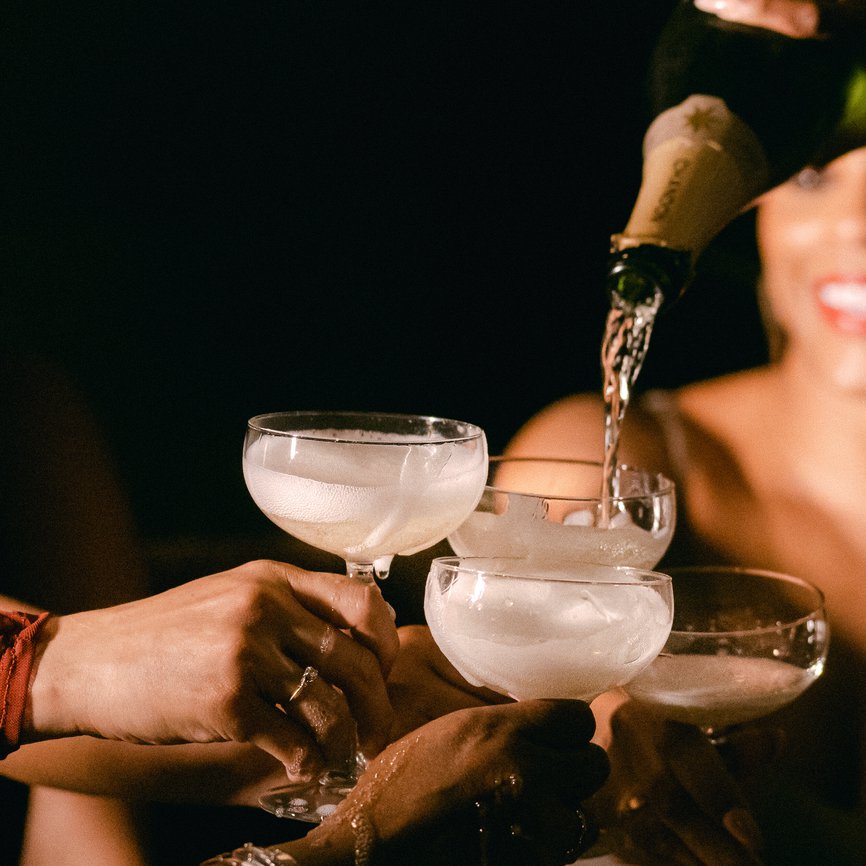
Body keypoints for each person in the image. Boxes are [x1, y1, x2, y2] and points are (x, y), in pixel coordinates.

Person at [502, 71, 866, 864]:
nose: (856, 226)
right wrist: (611, 747)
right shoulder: (610, 461)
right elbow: (524, 746)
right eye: (813, 177)